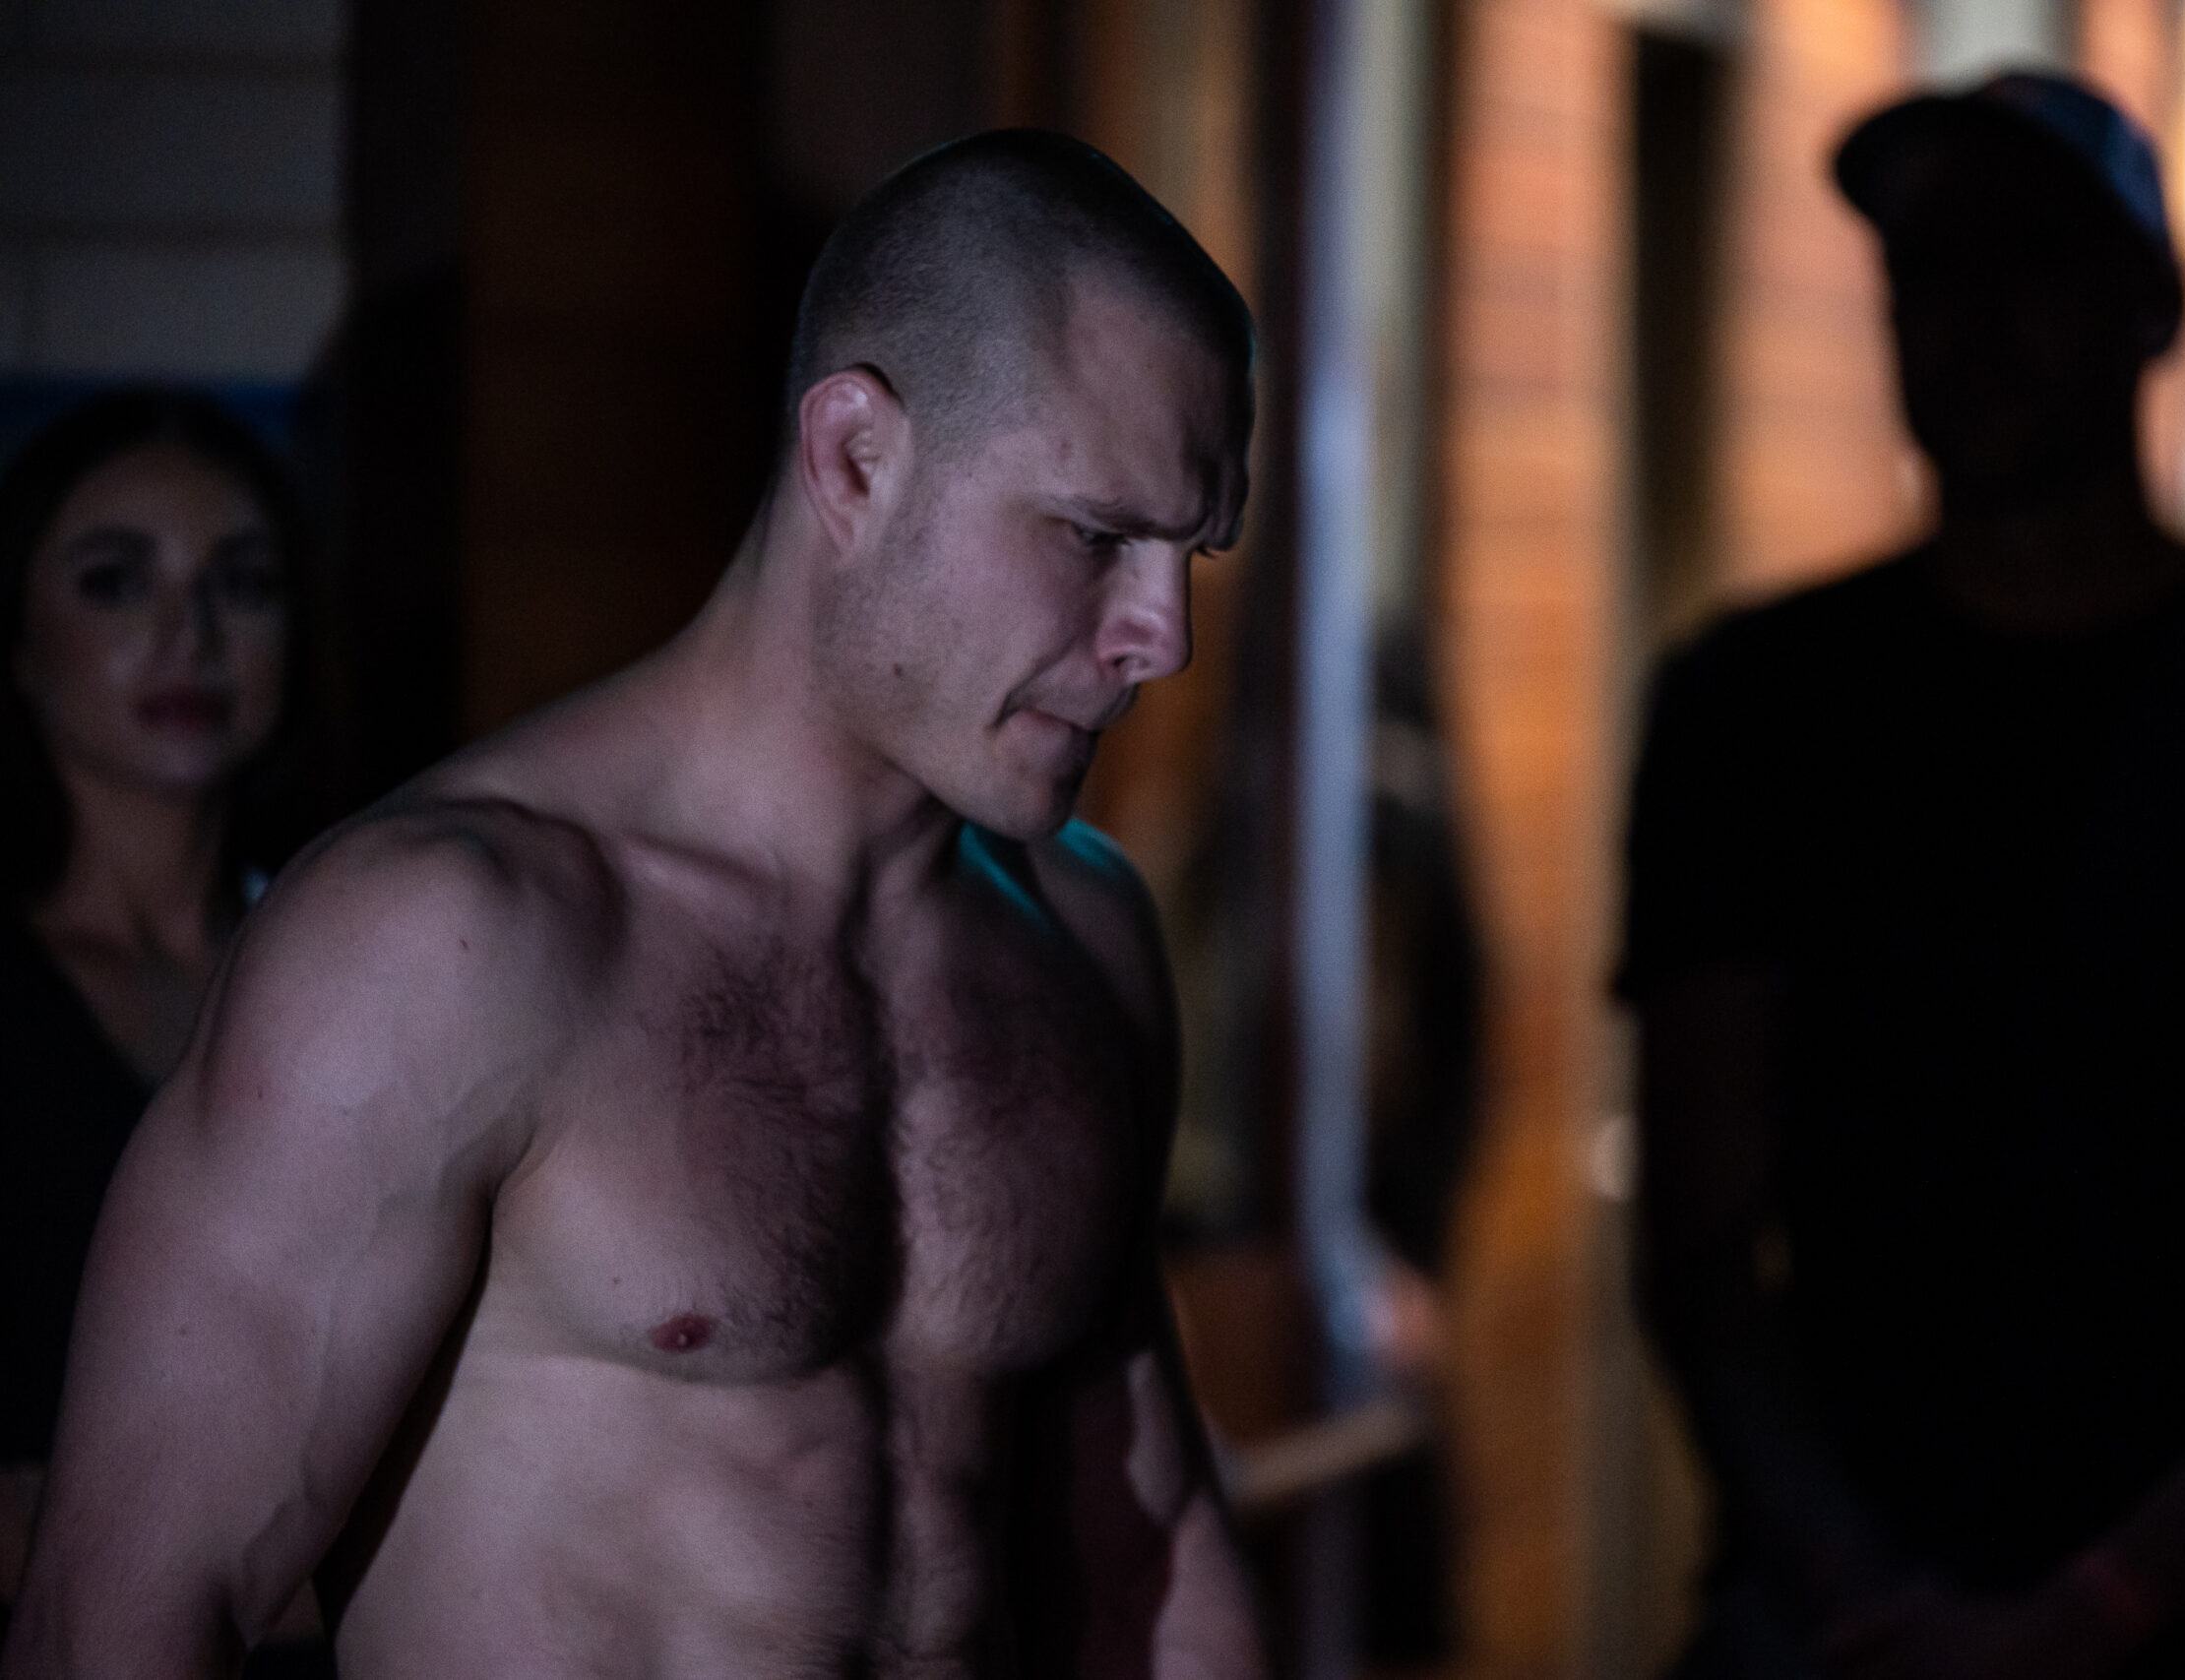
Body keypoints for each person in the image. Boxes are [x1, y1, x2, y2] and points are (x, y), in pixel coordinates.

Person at [4, 130, 1265, 1679]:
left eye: (1193, 550)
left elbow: (1146, 1558)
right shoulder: (445, 944)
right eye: (1097, 535)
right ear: (855, 459)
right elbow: (118, 1619)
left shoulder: (1084, 938)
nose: (1162, 637)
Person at [1622, 74, 2185, 1680]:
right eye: (1925, 272)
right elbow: (1697, 1239)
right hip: (1837, 1627)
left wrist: (2099, 1612)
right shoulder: (1758, 706)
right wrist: (1869, 1597)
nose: (1972, 319)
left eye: (2031, 260)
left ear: (2152, 308)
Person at [0, 393, 315, 1631]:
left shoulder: (357, 957)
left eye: (242, 584)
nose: (189, 635)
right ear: (19, 639)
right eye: (116, 581)